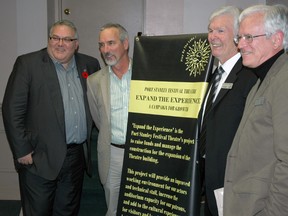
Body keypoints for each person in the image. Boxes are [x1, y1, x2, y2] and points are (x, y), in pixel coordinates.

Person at [2, 20, 100, 215]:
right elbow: (11, 109)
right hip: (39, 157)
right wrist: (22, 150)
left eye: (66, 39)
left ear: (76, 43)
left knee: (67, 211)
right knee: (38, 212)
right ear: (49, 39)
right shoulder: (28, 64)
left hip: (75, 157)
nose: (59, 43)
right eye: (55, 38)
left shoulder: (89, 64)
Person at [223, 4, 288, 215]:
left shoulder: (284, 80)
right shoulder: (261, 81)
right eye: (239, 38)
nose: (241, 45)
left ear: (276, 39)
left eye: (249, 37)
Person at [198, 6, 257, 216]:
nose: (212, 36)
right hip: (208, 178)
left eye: (220, 31)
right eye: (210, 30)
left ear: (237, 37)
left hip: (233, 183)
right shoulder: (214, 75)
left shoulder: (250, 78)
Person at [87, 23, 131, 216]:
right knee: (113, 208)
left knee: (142, 204)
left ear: (125, 44)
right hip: (112, 154)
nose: (105, 50)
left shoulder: (146, 73)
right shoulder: (94, 81)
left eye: (111, 43)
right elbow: (98, 120)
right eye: (102, 45)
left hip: (142, 152)